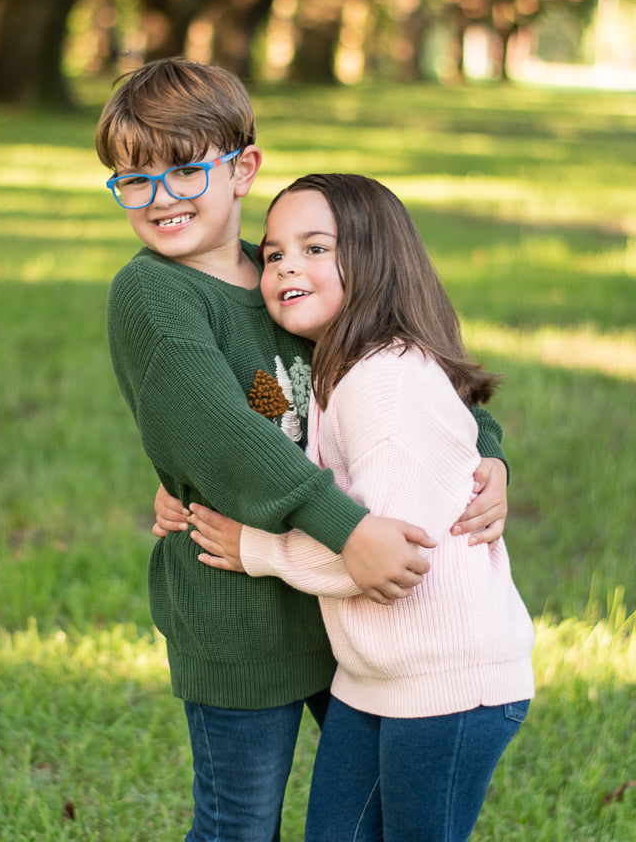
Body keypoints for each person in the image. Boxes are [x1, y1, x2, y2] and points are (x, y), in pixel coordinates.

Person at [98, 58, 512, 842]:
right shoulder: (153, 292)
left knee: (365, 813)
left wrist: (485, 454)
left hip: (349, 613)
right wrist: (347, 527)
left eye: (184, 169)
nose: (161, 198)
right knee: (239, 824)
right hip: (241, 609)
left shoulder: (290, 270)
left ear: (243, 166)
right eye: (134, 179)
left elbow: (406, 359)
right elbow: (223, 433)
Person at [186, 173, 535, 842]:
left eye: (316, 248)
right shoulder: (325, 369)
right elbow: (265, 423)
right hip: (371, 677)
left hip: (448, 686)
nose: (287, 266)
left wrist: (254, 551)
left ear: (376, 259)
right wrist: (186, 475)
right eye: (275, 252)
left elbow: (384, 553)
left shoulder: (386, 381)